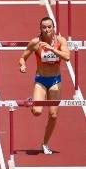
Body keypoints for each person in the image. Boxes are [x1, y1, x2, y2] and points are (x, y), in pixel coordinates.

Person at [19, 16, 70, 154]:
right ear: (40, 29)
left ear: (54, 28)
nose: (47, 30)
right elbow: (23, 57)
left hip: (55, 80)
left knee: (53, 115)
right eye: (44, 27)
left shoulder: (60, 41)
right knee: (37, 112)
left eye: (49, 27)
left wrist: (52, 49)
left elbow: (67, 57)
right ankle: (32, 101)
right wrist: (22, 65)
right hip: (41, 80)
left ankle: (45, 143)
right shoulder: (35, 42)